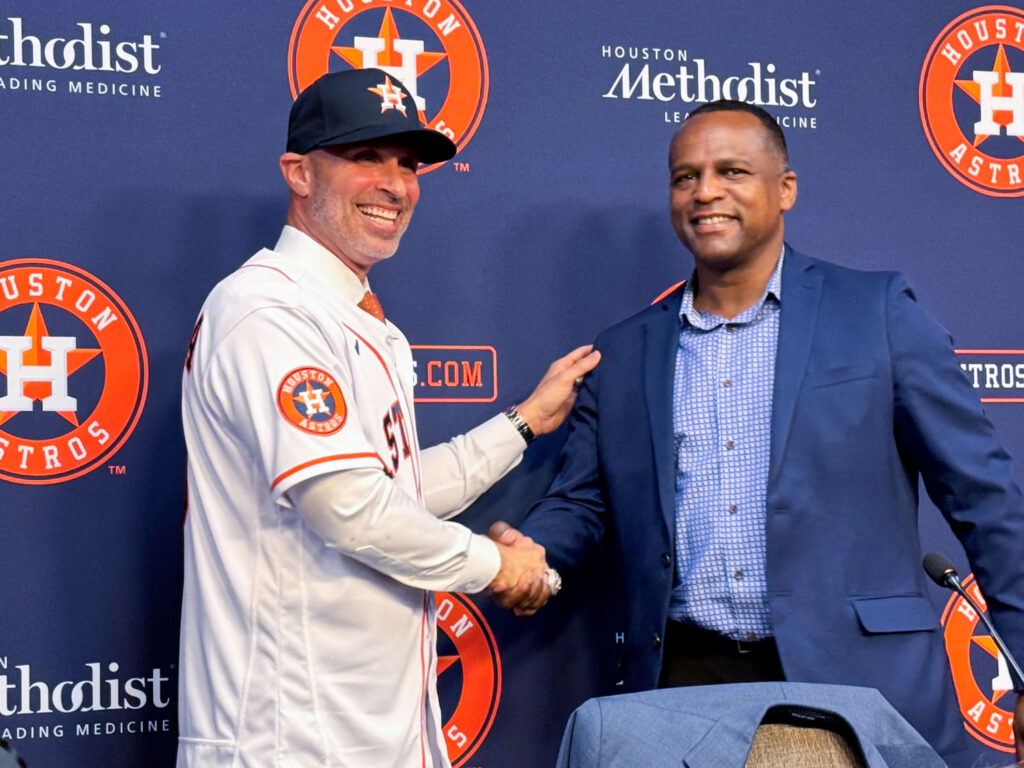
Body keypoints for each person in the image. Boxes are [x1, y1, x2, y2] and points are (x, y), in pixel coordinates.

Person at [506, 100, 1024, 767]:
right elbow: (583, 503)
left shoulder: (878, 312)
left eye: (732, 171)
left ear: (785, 190)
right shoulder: (626, 350)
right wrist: (528, 551)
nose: (706, 191)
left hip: (862, 687)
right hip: (683, 692)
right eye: (685, 176)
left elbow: (987, 502)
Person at [177, 68, 598, 768]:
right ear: (299, 174)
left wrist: (519, 425)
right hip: (285, 737)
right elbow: (348, 507)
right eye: (365, 157)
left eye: (408, 164)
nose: (396, 185)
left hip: (369, 726)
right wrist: (497, 564)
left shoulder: (357, 318)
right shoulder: (266, 310)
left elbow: (388, 489)